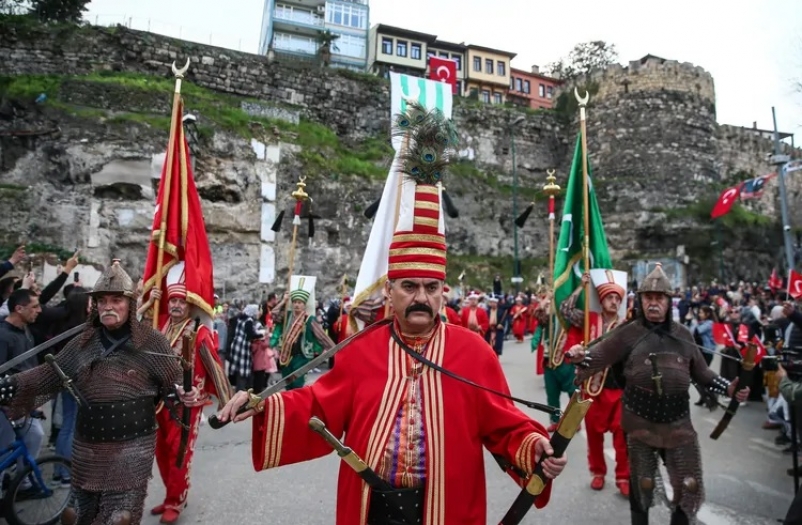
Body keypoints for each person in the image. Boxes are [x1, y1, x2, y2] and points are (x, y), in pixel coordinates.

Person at [217, 167, 567, 525]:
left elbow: (504, 425)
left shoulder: (473, 351)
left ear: (442, 292)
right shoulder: (362, 346)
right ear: (389, 290)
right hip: (372, 503)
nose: (421, 297)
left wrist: (532, 446)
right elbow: (318, 402)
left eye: (431, 288)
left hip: (449, 506)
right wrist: (262, 404)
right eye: (409, 286)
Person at [0, 260, 195, 525]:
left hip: (133, 444)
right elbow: (47, 377)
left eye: (116, 300)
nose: (108, 306)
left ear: (130, 304)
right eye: (102, 301)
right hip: (88, 443)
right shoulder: (82, 343)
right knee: (76, 515)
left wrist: (182, 393)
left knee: (120, 517)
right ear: (95, 305)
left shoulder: (151, 341)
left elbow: (171, 383)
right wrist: (11, 386)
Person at [565, 263, 749, 525]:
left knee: (689, 486)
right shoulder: (627, 333)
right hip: (640, 425)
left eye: (659, 298)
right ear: (640, 301)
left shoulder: (683, 335)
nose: (653, 303)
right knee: (643, 487)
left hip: (679, 425)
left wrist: (728, 388)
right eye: (648, 297)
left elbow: (703, 374)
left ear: (668, 301)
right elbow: (597, 357)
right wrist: (580, 356)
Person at [146, 264, 232, 524]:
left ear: (190, 305)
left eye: (181, 301)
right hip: (159, 403)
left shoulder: (199, 332)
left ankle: (176, 500)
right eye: (173, 299)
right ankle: (171, 495)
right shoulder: (159, 326)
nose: (176, 305)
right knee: (160, 452)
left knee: (179, 453)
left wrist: (227, 404)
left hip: (187, 405)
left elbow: (214, 367)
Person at [560, 270, 629, 496]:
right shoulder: (589, 319)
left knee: (622, 436)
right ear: (601, 299)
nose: (614, 301)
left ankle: (623, 477)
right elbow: (565, 310)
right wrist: (581, 286)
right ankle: (598, 472)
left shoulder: (627, 326)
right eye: (610, 297)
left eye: (618, 298)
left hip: (619, 389)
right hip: (592, 388)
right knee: (594, 434)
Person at [269, 277, 335, 390]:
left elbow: (322, 336)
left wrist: (335, 350)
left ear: (304, 305)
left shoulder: (309, 319)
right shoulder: (287, 316)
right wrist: (284, 301)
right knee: (287, 385)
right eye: (294, 302)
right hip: (286, 356)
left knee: (297, 384)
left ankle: (297, 406)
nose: (296, 305)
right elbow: (273, 314)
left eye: (299, 302)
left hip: (301, 357)